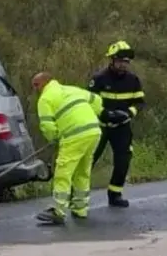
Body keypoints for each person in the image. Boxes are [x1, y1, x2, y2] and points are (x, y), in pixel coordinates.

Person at [31, 72, 104, 225]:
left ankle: (58, 210)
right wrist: (93, 115)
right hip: (93, 132)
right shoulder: (72, 89)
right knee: (82, 171)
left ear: (45, 82)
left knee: (63, 172)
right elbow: (97, 101)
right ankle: (80, 208)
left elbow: (47, 126)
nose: (35, 89)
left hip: (74, 135)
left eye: (36, 85)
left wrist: (55, 138)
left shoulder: (45, 99)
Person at [88, 40, 146, 208]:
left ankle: (115, 194)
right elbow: (87, 101)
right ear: (112, 60)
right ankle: (74, 193)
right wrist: (103, 114)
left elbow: (140, 103)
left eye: (126, 62)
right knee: (88, 160)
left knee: (123, 161)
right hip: (99, 126)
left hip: (122, 127)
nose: (123, 65)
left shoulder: (133, 80)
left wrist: (129, 113)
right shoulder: (99, 79)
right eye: (120, 61)